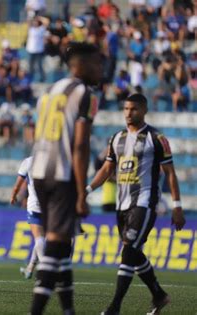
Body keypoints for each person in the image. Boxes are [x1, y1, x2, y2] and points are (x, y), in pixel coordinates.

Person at [87, 93, 186, 315]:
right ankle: (159, 295)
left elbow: (170, 173)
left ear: (144, 110)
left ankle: (114, 307)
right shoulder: (116, 138)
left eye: (133, 109)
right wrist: (87, 190)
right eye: (126, 109)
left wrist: (177, 206)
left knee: (128, 250)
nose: (129, 113)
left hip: (144, 202)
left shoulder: (156, 138)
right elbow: (106, 169)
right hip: (122, 205)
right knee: (133, 252)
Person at [30, 42, 103, 314]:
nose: (101, 69)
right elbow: (80, 145)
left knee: (60, 248)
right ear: (80, 65)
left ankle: (68, 310)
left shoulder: (48, 91)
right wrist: (82, 193)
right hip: (62, 176)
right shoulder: (86, 94)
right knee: (56, 247)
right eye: (97, 63)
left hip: (39, 173)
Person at [10, 156, 44, 279]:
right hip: (49, 205)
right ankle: (30, 268)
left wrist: (13, 195)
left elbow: (18, 184)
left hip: (34, 204)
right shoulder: (53, 160)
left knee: (39, 238)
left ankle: (45, 269)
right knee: (42, 239)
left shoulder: (28, 161)